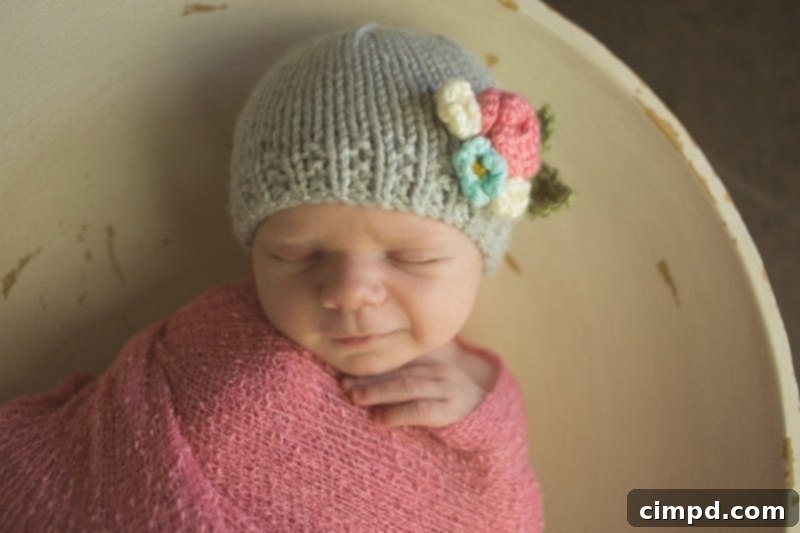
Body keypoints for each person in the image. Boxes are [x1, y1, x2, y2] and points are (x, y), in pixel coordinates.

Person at [0, 22, 573, 531]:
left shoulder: (483, 407)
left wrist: (481, 420)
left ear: (480, 257)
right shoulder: (210, 348)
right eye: (297, 255)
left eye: (409, 258)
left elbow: (502, 509)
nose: (347, 291)